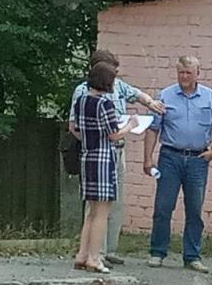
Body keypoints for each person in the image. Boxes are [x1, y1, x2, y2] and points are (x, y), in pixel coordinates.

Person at [69, 49, 166, 267]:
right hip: (104, 153)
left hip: (98, 153)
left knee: (109, 205)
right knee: (99, 208)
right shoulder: (99, 100)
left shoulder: (89, 97)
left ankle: (93, 252)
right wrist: (129, 126)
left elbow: (136, 94)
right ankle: (96, 254)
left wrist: (151, 103)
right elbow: (106, 131)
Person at [143, 55, 212, 273]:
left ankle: (192, 256)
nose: (184, 77)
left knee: (194, 209)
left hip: (198, 160)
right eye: (180, 72)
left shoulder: (210, 97)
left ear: (197, 73)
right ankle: (157, 252)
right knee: (163, 206)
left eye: (188, 73)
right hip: (170, 157)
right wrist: (148, 158)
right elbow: (153, 128)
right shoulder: (165, 95)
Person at [72, 62, 139, 273]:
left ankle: (82, 254)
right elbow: (114, 134)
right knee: (102, 212)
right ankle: (94, 257)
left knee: (91, 211)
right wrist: (131, 125)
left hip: (87, 155)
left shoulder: (81, 100)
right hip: (103, 158)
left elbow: (76, 127)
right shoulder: (105, 104)